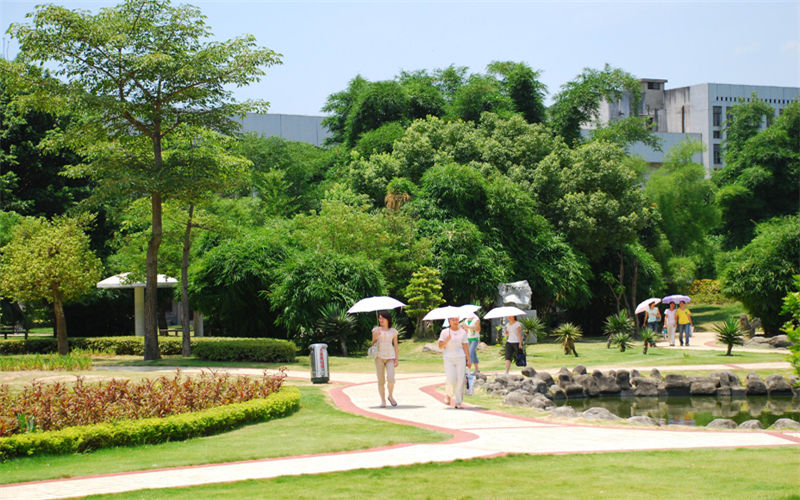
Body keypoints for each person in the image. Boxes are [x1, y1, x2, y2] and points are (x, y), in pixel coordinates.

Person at [438, 316, 471, 408]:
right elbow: (440, 346)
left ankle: (458, 401)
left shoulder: (463, 332)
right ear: (449, 321)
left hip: (460, 357)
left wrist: (468, 359)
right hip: (448, 358)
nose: (455, 322)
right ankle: (448, 394)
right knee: (451, 379)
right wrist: (446, 340)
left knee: (460, 379)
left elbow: (465, 346)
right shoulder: (444, 332)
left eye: (457, 320)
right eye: (453, 320)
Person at [371, 310, 399, 408]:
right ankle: (383, 401)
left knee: (391, 378)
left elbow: (395, 346)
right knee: (381, 380)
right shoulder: (375, 330)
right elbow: (372, 343)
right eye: (379, 318)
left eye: (382, 318)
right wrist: (376, 336)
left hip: (390, 357)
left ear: (387, 319)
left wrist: (397, 359)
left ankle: (390, 396)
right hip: (379, 357)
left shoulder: (393, 331)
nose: (380, 320)